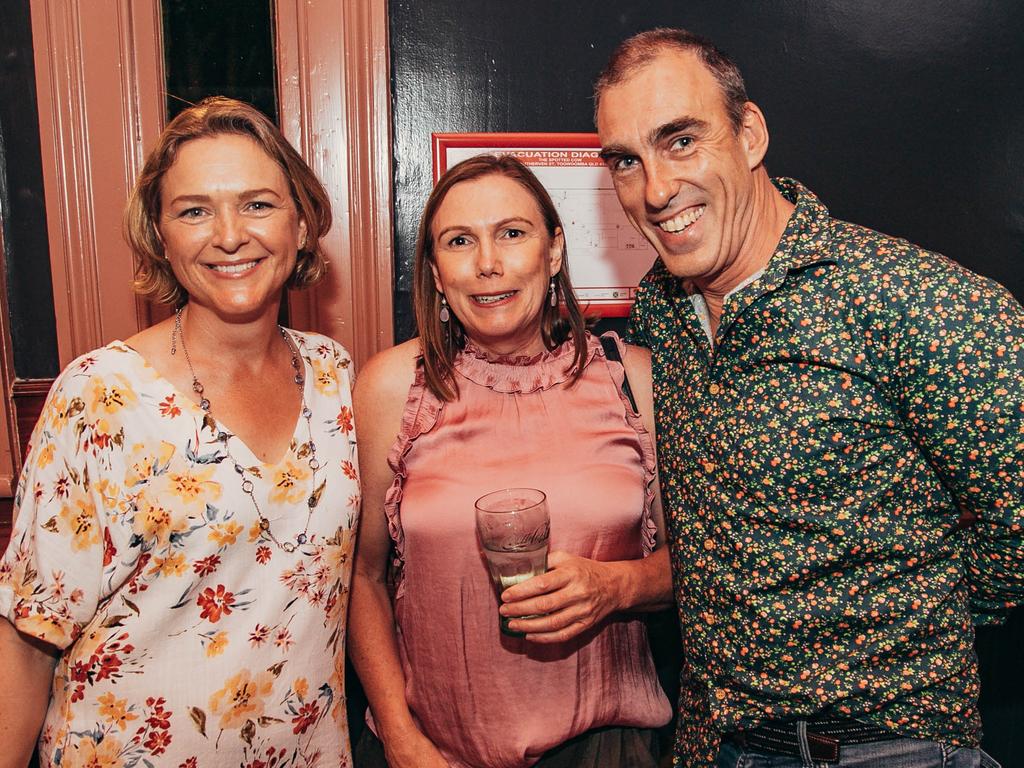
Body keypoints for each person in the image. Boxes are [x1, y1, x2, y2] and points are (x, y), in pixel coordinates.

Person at [594, 27, 1022, 768]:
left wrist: (915, 621)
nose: (656, 190)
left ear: (750, 134)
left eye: (682, 140)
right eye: (626, 160)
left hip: (889, 747)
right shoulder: (661, 310)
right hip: (710, 743)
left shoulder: (918, 301)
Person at [0, 97, 359, 768]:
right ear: (161, 237)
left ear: (304, 222)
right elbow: (27, 634)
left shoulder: (334, 375)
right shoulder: (100, 393)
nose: (229, 235)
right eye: (194, 210)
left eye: (257, 204)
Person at [348, 154, 673, 768]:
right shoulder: (393, 386)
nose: (487, 263)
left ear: (553, 253)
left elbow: (705, 567)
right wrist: (399, 736)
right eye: (459, 241)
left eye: (512, 233)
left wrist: (616, 585)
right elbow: (362, 578)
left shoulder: (633, 380)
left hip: (603, 747)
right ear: (437, 274)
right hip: (432, 749)